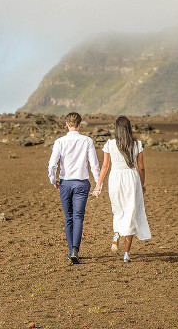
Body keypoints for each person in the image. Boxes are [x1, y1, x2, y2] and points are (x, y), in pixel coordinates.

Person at [92, 115, 150, 263]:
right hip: (131, 178)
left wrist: (99, 184)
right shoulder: (137, 144)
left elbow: (105, 166)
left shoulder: (110, 144)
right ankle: (126, 253)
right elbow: (141, 167)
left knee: (118, 209)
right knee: (130, 212)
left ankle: (116, 233)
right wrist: (143, 184)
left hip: (115, 178)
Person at [48, 112, 101, 264]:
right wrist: (98, 184)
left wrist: (53, 179)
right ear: (79, 125)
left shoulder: (60, 141)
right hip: (82, 183)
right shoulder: (87, 141)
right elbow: (94, 164)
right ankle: (75, 250)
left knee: (68, 217)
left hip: (66, 183)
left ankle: (72, 250)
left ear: (66, 124)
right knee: (78, 217)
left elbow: (52, 164)